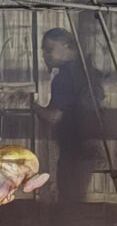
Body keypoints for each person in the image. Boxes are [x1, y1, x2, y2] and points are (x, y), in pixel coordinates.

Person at [32, 27, 104, 211]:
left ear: (66, 46)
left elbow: (55, 116)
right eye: (43, 50)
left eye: (49, 49)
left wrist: (34, 107)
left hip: (73, 148)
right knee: (78, 197)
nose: (45, 55)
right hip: (89, 144)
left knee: (68, 199)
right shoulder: (89, 71)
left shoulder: (64, 78)